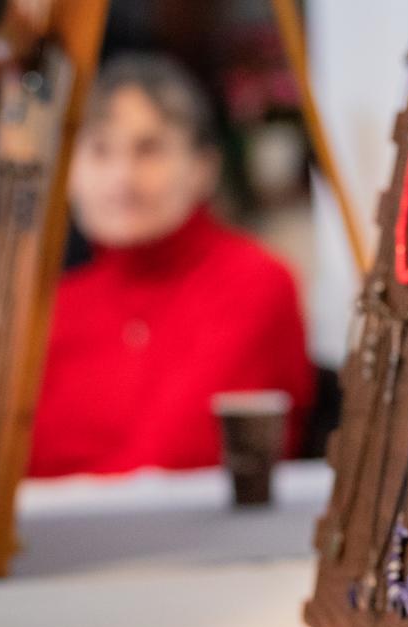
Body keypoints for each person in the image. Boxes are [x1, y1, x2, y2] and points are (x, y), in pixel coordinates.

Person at [29, 53, 316, 477]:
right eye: (99, 151)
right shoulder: (53, 307)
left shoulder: (254, 283)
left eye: (149, 150)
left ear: (203, 167)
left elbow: (188, 455)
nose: (122, 178)